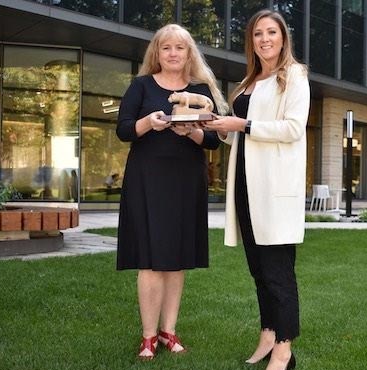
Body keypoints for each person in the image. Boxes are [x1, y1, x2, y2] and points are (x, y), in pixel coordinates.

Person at [115, 23, 228, 361]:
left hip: (185, 179)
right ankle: (148, 337)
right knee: (150, 260)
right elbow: (123, 130)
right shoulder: (141, 86)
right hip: (147, 179)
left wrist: (191, 131)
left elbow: (214, 139)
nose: (174, 53)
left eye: (180, 47)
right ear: (157, 53)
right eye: (167, 48)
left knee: (175, 260)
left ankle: (169, 330)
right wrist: (150, 122)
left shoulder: (200, 89)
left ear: (189, 52)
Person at [205, 9, 309, 370]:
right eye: (258, 34)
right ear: (251, 42)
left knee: (279, 273)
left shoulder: (293, 76)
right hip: (246, 187)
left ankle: (284, 350)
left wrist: (243, 123)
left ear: (283, 38)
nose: (265, 39)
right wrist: (218, 128)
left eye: (271, 32)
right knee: (259, 270)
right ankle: (268, 333)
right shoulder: (248, 82)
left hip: (275, 190)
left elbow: (293, 128)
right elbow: (241, 137)